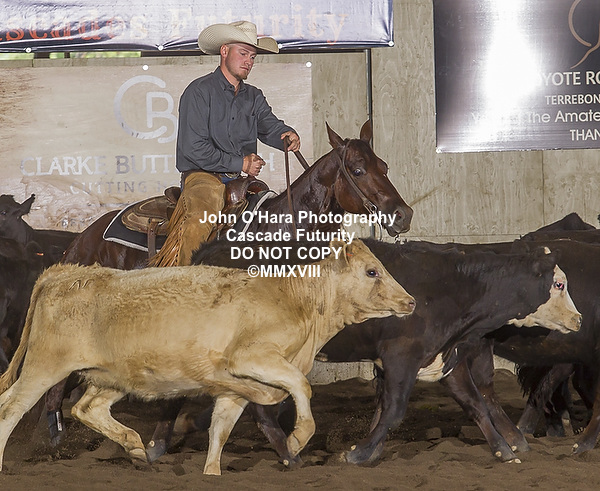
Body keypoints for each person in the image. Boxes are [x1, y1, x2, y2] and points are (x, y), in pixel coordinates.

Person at [150, 20, 300, 267]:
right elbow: (193, 148)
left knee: (271, 216)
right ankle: (184, 278)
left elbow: (269, 126)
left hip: (240, 181)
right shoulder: (198, 92)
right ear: (224, 51)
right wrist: (241, 163)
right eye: (243, 53)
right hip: (202, 177)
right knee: (200, 219)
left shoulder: (254, 96)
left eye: (253, 56)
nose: (249, 61)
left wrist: (286, 134)